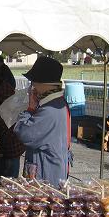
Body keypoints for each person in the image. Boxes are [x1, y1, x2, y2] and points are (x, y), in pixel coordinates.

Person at [14, 56, 70, 187]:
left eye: (34, 81)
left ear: (43, 83)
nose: (32, 86)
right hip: (50, 168)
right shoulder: (57, 103)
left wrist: (29, 109)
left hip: (46, 174)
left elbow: (23, 133)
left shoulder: (50, 110)